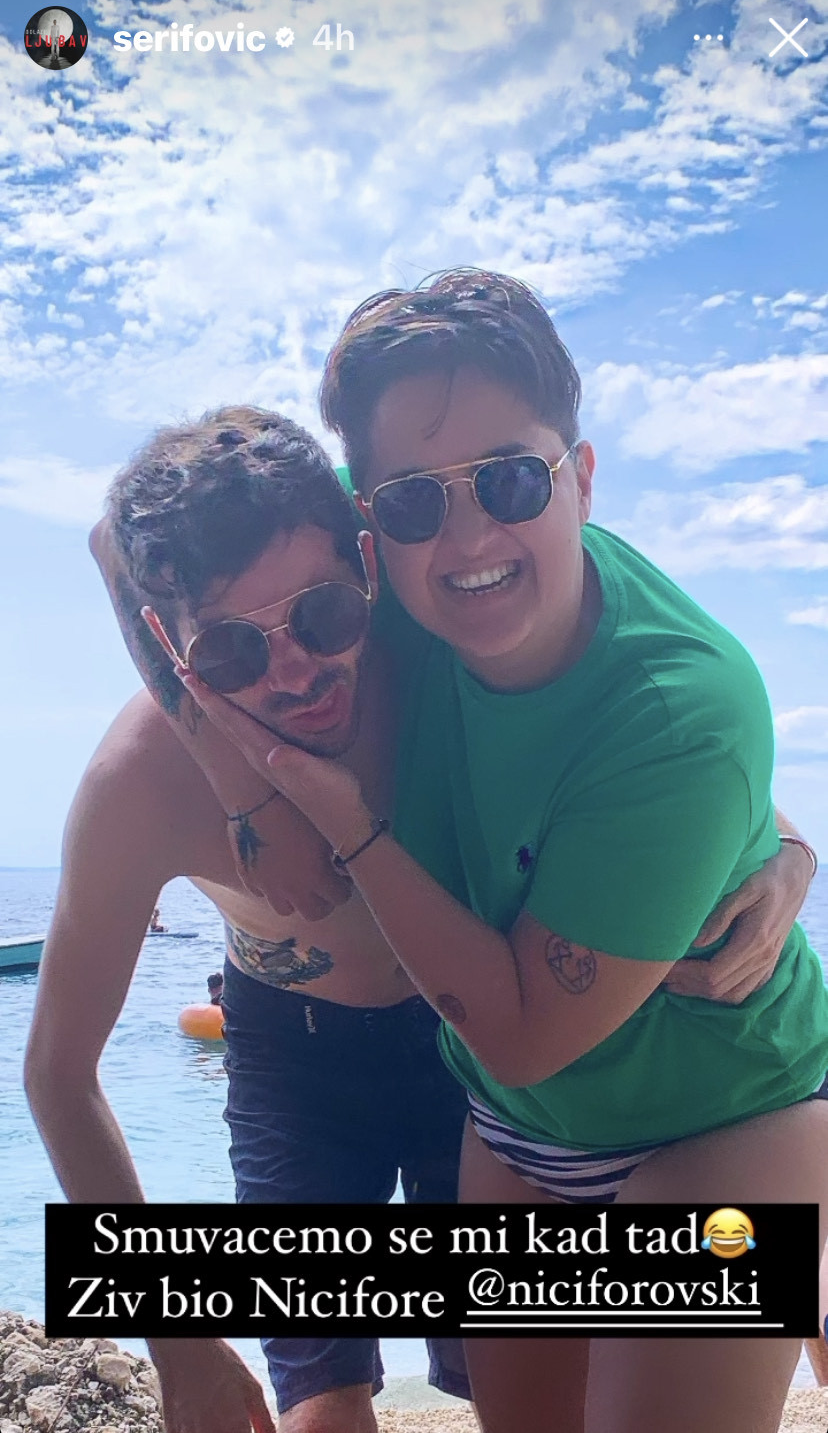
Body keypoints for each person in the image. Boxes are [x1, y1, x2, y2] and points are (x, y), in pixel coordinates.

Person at [178, 272, 828, 1433]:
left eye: (512, 478)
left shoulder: (683, 703)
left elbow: (526, 1029)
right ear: (369, 525)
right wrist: (239, 787)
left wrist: (345, 821)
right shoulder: (382, 598)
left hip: (727, 1112)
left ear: (580, 477)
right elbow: (120, 543)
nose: (469, 535)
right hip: (521, 1133)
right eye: (415, 501)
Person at [25, 409, 471, 1433]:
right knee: (318, 1409)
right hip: (294, 1056)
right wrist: (179, 1343)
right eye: (228, 650)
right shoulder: (139, 782)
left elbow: (636, 711)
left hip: (475, 1024)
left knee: (536, 1378)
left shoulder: (445, 656)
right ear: (170, 649)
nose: (296, 671)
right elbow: (56, 1070)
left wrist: (783, 843)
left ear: (366, 565)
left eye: (323, 614)